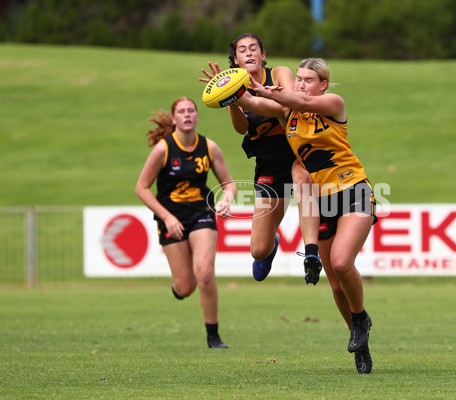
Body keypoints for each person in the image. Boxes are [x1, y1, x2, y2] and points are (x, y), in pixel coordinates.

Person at [230, 58, 377, 374]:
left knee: (339, 261)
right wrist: (226, 86)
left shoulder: (332, 104)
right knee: (336, 286)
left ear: (322, 84)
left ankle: (361, 319)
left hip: (354, 190)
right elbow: (249, 102)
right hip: (322, 200)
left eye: (308, 79)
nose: (300, 84)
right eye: (297, 78)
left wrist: (274, 93)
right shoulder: (287, 113)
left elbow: (302, 100)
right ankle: (359, 337)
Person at [199, 33, 323, 285]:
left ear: (263, 55)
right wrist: (229, 98)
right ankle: (272, 243)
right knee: (258, 250)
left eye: (254, 48)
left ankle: (312, 251)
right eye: (242, 50)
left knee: (304, 179)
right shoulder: (236, 89)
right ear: (235, 61)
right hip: (269, 162)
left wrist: (256, 96)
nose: (249, 53)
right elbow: (242, 128)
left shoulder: (278, 73)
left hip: (299, 151)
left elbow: (290, 104)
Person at [135, 97, 236, 349]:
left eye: (191, 110)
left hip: (201, 211)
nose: (187, 115)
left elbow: (230, 184)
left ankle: (213, 337)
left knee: (205, 272)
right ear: (174, 119)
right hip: (171, 217)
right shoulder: (163, 149)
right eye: (182, 111)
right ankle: (178, 287)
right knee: (185, 287)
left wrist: (226, 199)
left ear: (197, 116)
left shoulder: (209, 147)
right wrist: (167, 217)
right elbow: (142, 188)